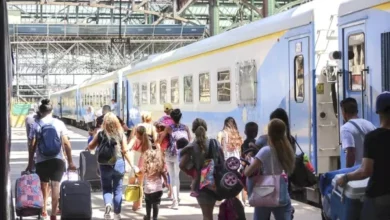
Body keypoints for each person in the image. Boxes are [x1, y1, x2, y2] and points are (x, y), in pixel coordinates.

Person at [336, 92, 390, 219]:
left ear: (378, 111)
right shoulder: (369, 125)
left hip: (379, 196)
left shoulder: (374, 138)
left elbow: (366, 171)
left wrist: (346, 177)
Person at [26, 99, 77, 220]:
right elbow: (66, 144)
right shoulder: (59, 123)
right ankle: (53, 214)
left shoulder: (36, 124)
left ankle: (44, 210)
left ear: (40, 111)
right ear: (51, 111)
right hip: (57, 160)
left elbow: (32, 146)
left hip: (41, 161)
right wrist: (70, 161)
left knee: (44, 186)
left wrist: (30, 163)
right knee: (55, 186)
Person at [244, 119, 295, 220]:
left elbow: (248, 172)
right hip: (282, 191)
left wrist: (247, 162)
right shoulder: (288, 150)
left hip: (264, 193)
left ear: (270, 133)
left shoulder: (266, 151)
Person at [87, 112, 133, 220]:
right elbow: (125, 151)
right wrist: (132, 165)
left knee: (107, 189)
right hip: (118, 163)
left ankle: (108, 205)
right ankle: (117, 213)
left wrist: (95, 146)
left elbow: (90, 146)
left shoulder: (100, 133)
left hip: (104, 165)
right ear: (116, 122)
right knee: (117, 189)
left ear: (104, 123)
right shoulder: (121, 133)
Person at [179, 118, 222, 220]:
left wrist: (193, 174)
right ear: (205, 128)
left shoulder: (191, 147)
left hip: (200, 183)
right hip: (214, 182)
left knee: (206, 215)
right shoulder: (214, 143)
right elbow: (221, 161)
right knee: (209, 214)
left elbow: (181, 165)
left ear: (193, 130)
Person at [156, 108, 191, 209]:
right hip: (180, 155)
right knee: (177, 176)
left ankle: (175, 201)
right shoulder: (185, 127)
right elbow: (189, 140)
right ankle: (177, 198)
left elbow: (161, 139)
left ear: (171, 118)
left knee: (172, 177)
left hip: (170, 154)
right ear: (180, 117)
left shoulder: (168, 128)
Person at [339, 98, 376, 167]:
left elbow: (351, 152)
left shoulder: (345, 128)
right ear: (357, 111)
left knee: (327, 176)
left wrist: (347, 173)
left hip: (359, 169)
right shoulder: (369, 124)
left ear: (344, 113)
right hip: (373, 167)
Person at [128, 125, 153, 211]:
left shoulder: (135, 139)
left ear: (137, 133)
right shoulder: (148, 142)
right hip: (142, 166)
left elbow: (127, 148)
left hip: (135, 165)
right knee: (140, 185)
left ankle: (135, 204)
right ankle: (140, 204)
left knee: (133, 183)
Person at [142, 148, 168, 220]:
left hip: (147, 189)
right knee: (156, 203)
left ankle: (148, 216)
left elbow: (142, 174)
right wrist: (166, 181)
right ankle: (155, 217)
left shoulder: (146, 166)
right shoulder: (159, 165)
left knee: (148, 203)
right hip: (157, 188)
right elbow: (164, 174)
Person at [240, 122, 258, 205]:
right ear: (256, 133)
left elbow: (242, 155)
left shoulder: (244, 144)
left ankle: (246, 199)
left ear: (245, 132)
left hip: (246, 167)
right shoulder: (257, 143)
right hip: (256, 168)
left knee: (245, 184)